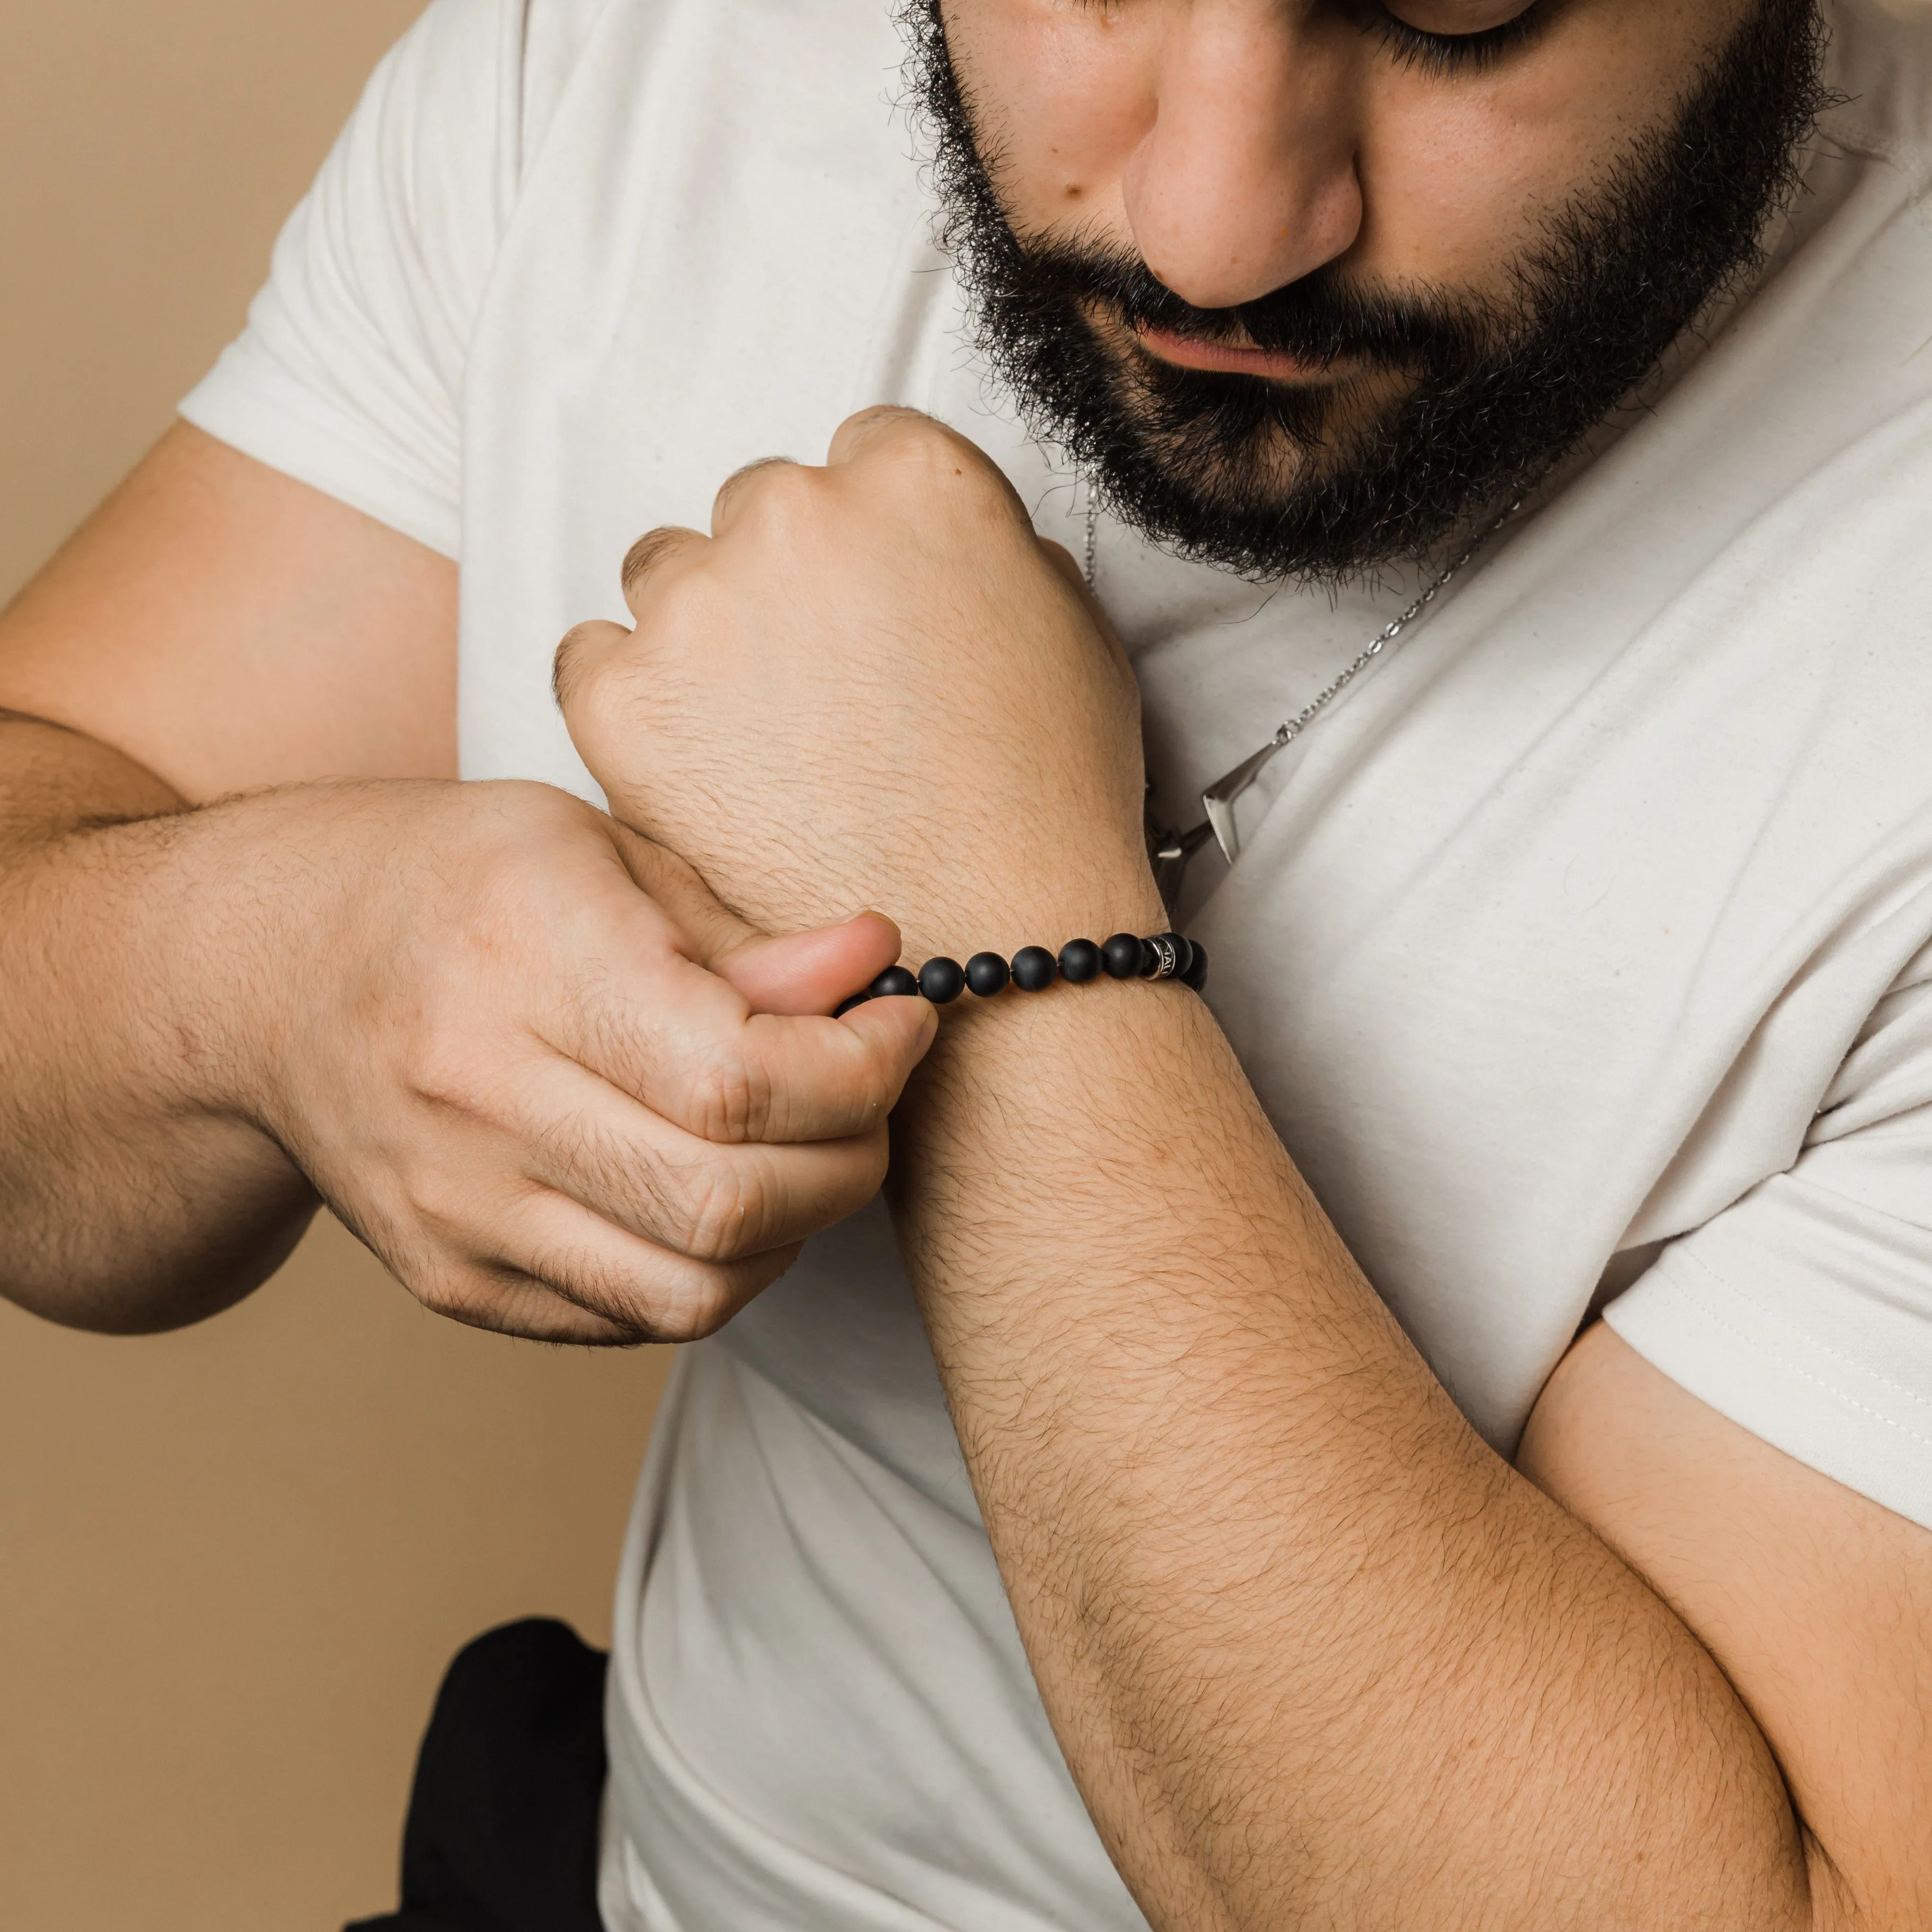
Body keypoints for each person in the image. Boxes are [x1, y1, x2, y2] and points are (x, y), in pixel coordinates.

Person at [1, 0, 1928, 1922]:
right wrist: (269, 966)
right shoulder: (630, 63)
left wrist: (1001, 915)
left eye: (1459, 8)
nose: (1211, 233)